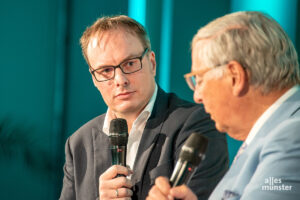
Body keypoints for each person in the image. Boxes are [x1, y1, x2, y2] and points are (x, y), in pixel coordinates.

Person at [59, 15, 229, 200]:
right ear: (94, 79)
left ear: (152, 63)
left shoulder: (198, 123)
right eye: (106, 71)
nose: (120, 80)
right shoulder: (78, 144)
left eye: (130, 63)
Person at [147, 11, 300, 200]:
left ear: (235, 76)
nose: (197, 96)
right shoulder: (273, 135)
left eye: (200, 79)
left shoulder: (292, 138)